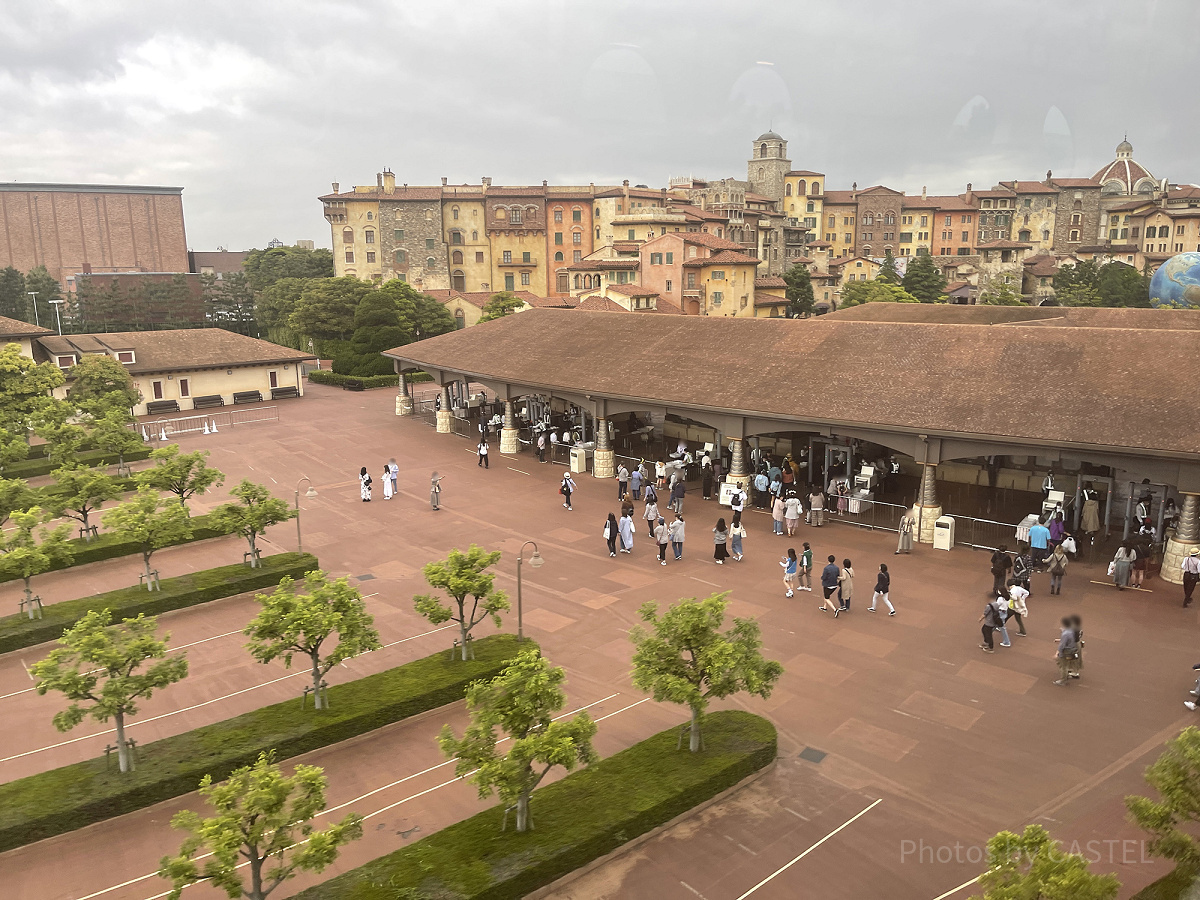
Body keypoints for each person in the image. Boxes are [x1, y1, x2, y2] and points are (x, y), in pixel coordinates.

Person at [1054, 616, 1078, 685]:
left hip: (1066, 651)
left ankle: (1063, 680)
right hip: (1072, 649)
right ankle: (1067, 674)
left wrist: (1057, 653)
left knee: (1062, 665)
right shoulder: (1072, 630)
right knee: (1067, 663)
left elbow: (1062, 645)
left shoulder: (1065, 633)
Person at [1068, 614, 1084, 679]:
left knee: (1073, 658)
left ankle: (1074, 673)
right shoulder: (1079, 628)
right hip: (1077, 643)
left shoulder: (1074, 629)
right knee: (1075, 658)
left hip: (1073, 645)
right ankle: (1072, 669)